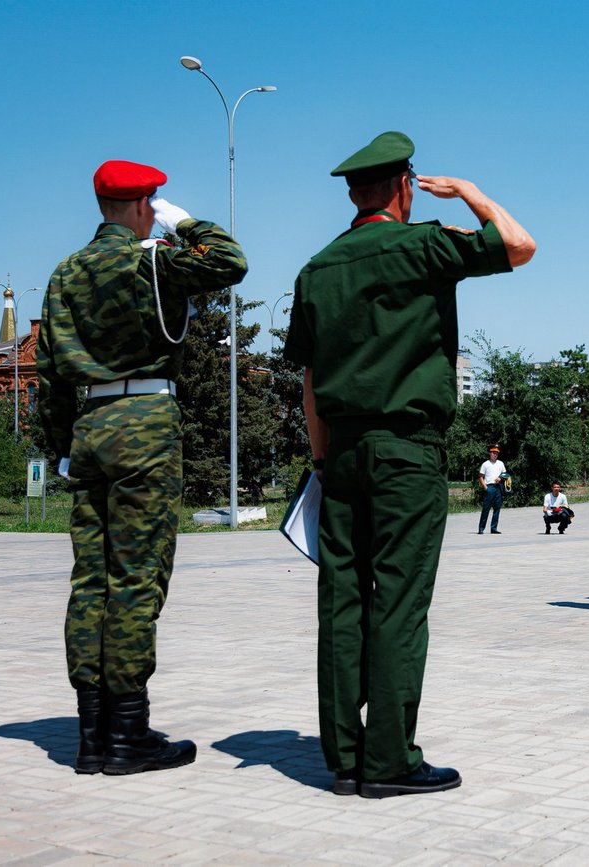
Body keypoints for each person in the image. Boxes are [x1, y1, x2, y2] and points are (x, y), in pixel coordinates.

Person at [285, 131, 535, 798]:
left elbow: (309, 381)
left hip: (340, 454)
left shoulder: (316, 269)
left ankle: (343, 757)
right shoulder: (422, 244)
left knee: (341, 601)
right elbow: (520, 245)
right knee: (397, 601)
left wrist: (321, 458)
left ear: (353, 194)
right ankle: (389, 759)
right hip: (406, 450)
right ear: (404, 187)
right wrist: (472, 193)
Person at [37, 159, 248, 775]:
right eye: (153, 204)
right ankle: (128, 734)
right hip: (146, 423)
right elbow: (230, 261)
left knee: (91, 580)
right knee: (135, 577)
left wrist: (61, 446)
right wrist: (185, 225)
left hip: (89, 428)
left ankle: (91, 735)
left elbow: (49, 373)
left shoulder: (66, 272)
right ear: (142, 205)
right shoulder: (153, 264)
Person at [478, 444, 508, 534]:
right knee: (486, 508)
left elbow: (505, 474)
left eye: (496, 453)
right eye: (493, 452)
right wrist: (485, 488)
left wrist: (500, 478)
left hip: (498, 487)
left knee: (497, 508)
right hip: (489, 487)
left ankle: (493, 528)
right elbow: (480, 477)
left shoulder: (500, 463)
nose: (495, 454)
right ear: (490, 453)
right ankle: (481, 528)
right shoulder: (485, 464)